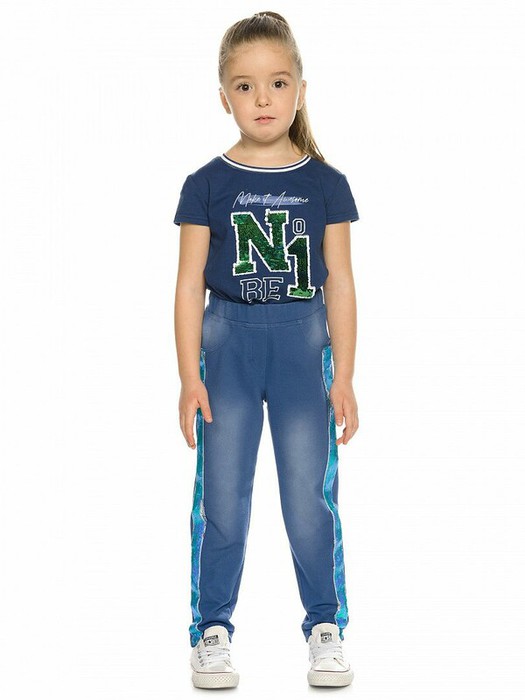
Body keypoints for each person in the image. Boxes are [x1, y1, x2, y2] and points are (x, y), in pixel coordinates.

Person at [173, 10, 360, 689]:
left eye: (277, 83)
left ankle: (325, 626)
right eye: (245, 86)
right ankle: (212, 630)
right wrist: (188, 377)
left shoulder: (325, 183)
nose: (262, 99)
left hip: (301, 345)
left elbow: (340, 283)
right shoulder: (205, 183)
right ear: (224, 97)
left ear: (300, 91)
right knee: (221, 495)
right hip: (227, 345)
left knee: (309, 496)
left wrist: (344, 375)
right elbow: (188, 283)